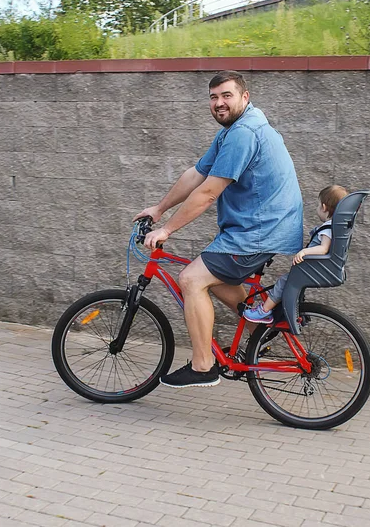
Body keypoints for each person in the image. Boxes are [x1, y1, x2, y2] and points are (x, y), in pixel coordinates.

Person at [133, 70, 303, 388]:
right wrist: (159, 209)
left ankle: (203, 366)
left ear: (244, 97)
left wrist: (166, 230)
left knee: (191, 279)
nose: (219, 103)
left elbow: (209, 193)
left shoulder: (243, 133)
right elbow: (196, 175)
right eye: (213, 97)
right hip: (259, 228)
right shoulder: (235, 129)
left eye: (227, 95)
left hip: (259, 232)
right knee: (219, 280)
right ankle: (259, 331)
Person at [243, 185, 349, 324]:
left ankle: (264, 311)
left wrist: (305, 252)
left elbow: (323, 248)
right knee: (287, 284)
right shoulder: (334, 226)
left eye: (318, 205)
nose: (317, 208)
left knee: (283, 282)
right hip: (314, 268)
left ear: (324, 207)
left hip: (311, 268)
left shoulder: (327, 228)